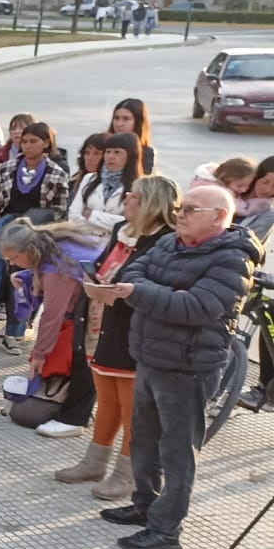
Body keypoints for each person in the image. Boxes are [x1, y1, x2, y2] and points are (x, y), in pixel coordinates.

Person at [91, 186, 262, 549]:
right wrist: (157, 292)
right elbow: (134, 270)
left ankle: (166, 529)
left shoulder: (232, 258)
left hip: (189, 367)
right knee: (145, 441)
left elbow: (198, 306)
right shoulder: (173, 243)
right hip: (151, 357)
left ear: (218, 216)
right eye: (180, 207)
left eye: (190, 209)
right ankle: (145, 506)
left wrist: (141, 292)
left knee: (178, 451)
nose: (180, 214)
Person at [55, 176, 179, 499]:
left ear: (151, 202)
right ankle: (95, 461)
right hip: (102, 321)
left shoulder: (166, 240)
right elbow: (106, 266)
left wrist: (113, 292)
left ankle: (128, 474)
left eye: (133, 195)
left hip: (134, 330)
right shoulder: (121, 229)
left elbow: (154, 287)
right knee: (107, 398)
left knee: (132, 408)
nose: (126, 198)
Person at [0, 121, 72, 357]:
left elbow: (60, 213)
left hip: (35, 233)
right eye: (25, 141)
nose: (27, 146)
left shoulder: (56, 175)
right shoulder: (6, 169)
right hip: (4, 228)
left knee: (22, 285)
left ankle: (13, 336)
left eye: (34, 141)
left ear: (46, 143)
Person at [0, 218, 108, 439]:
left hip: (90, 318)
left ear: (28, 250)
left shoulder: (57, 268)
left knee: (78, 363)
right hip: (89, 312)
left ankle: (74, 418)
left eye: (14, 258)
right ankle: (74, 411)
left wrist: (38, 354)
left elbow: (52, 315)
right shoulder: (51, 244)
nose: (14, 264)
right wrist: (28, 276)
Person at [70, 132, 141, 232]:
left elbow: (131, 224)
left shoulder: (139, 186)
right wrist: (111, 221)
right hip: (84, 238)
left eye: (117, 152)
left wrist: (93, 215)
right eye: (108, 152)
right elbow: (74, 215)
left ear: (130, 156)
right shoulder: (90, 179)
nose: (110, 156)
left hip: (116, 243)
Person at [109, 98, 154, 174]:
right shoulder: (102, 145)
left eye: (126, 119)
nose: (119, 124)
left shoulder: (146, 153)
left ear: (138, 123)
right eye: (116, 118)